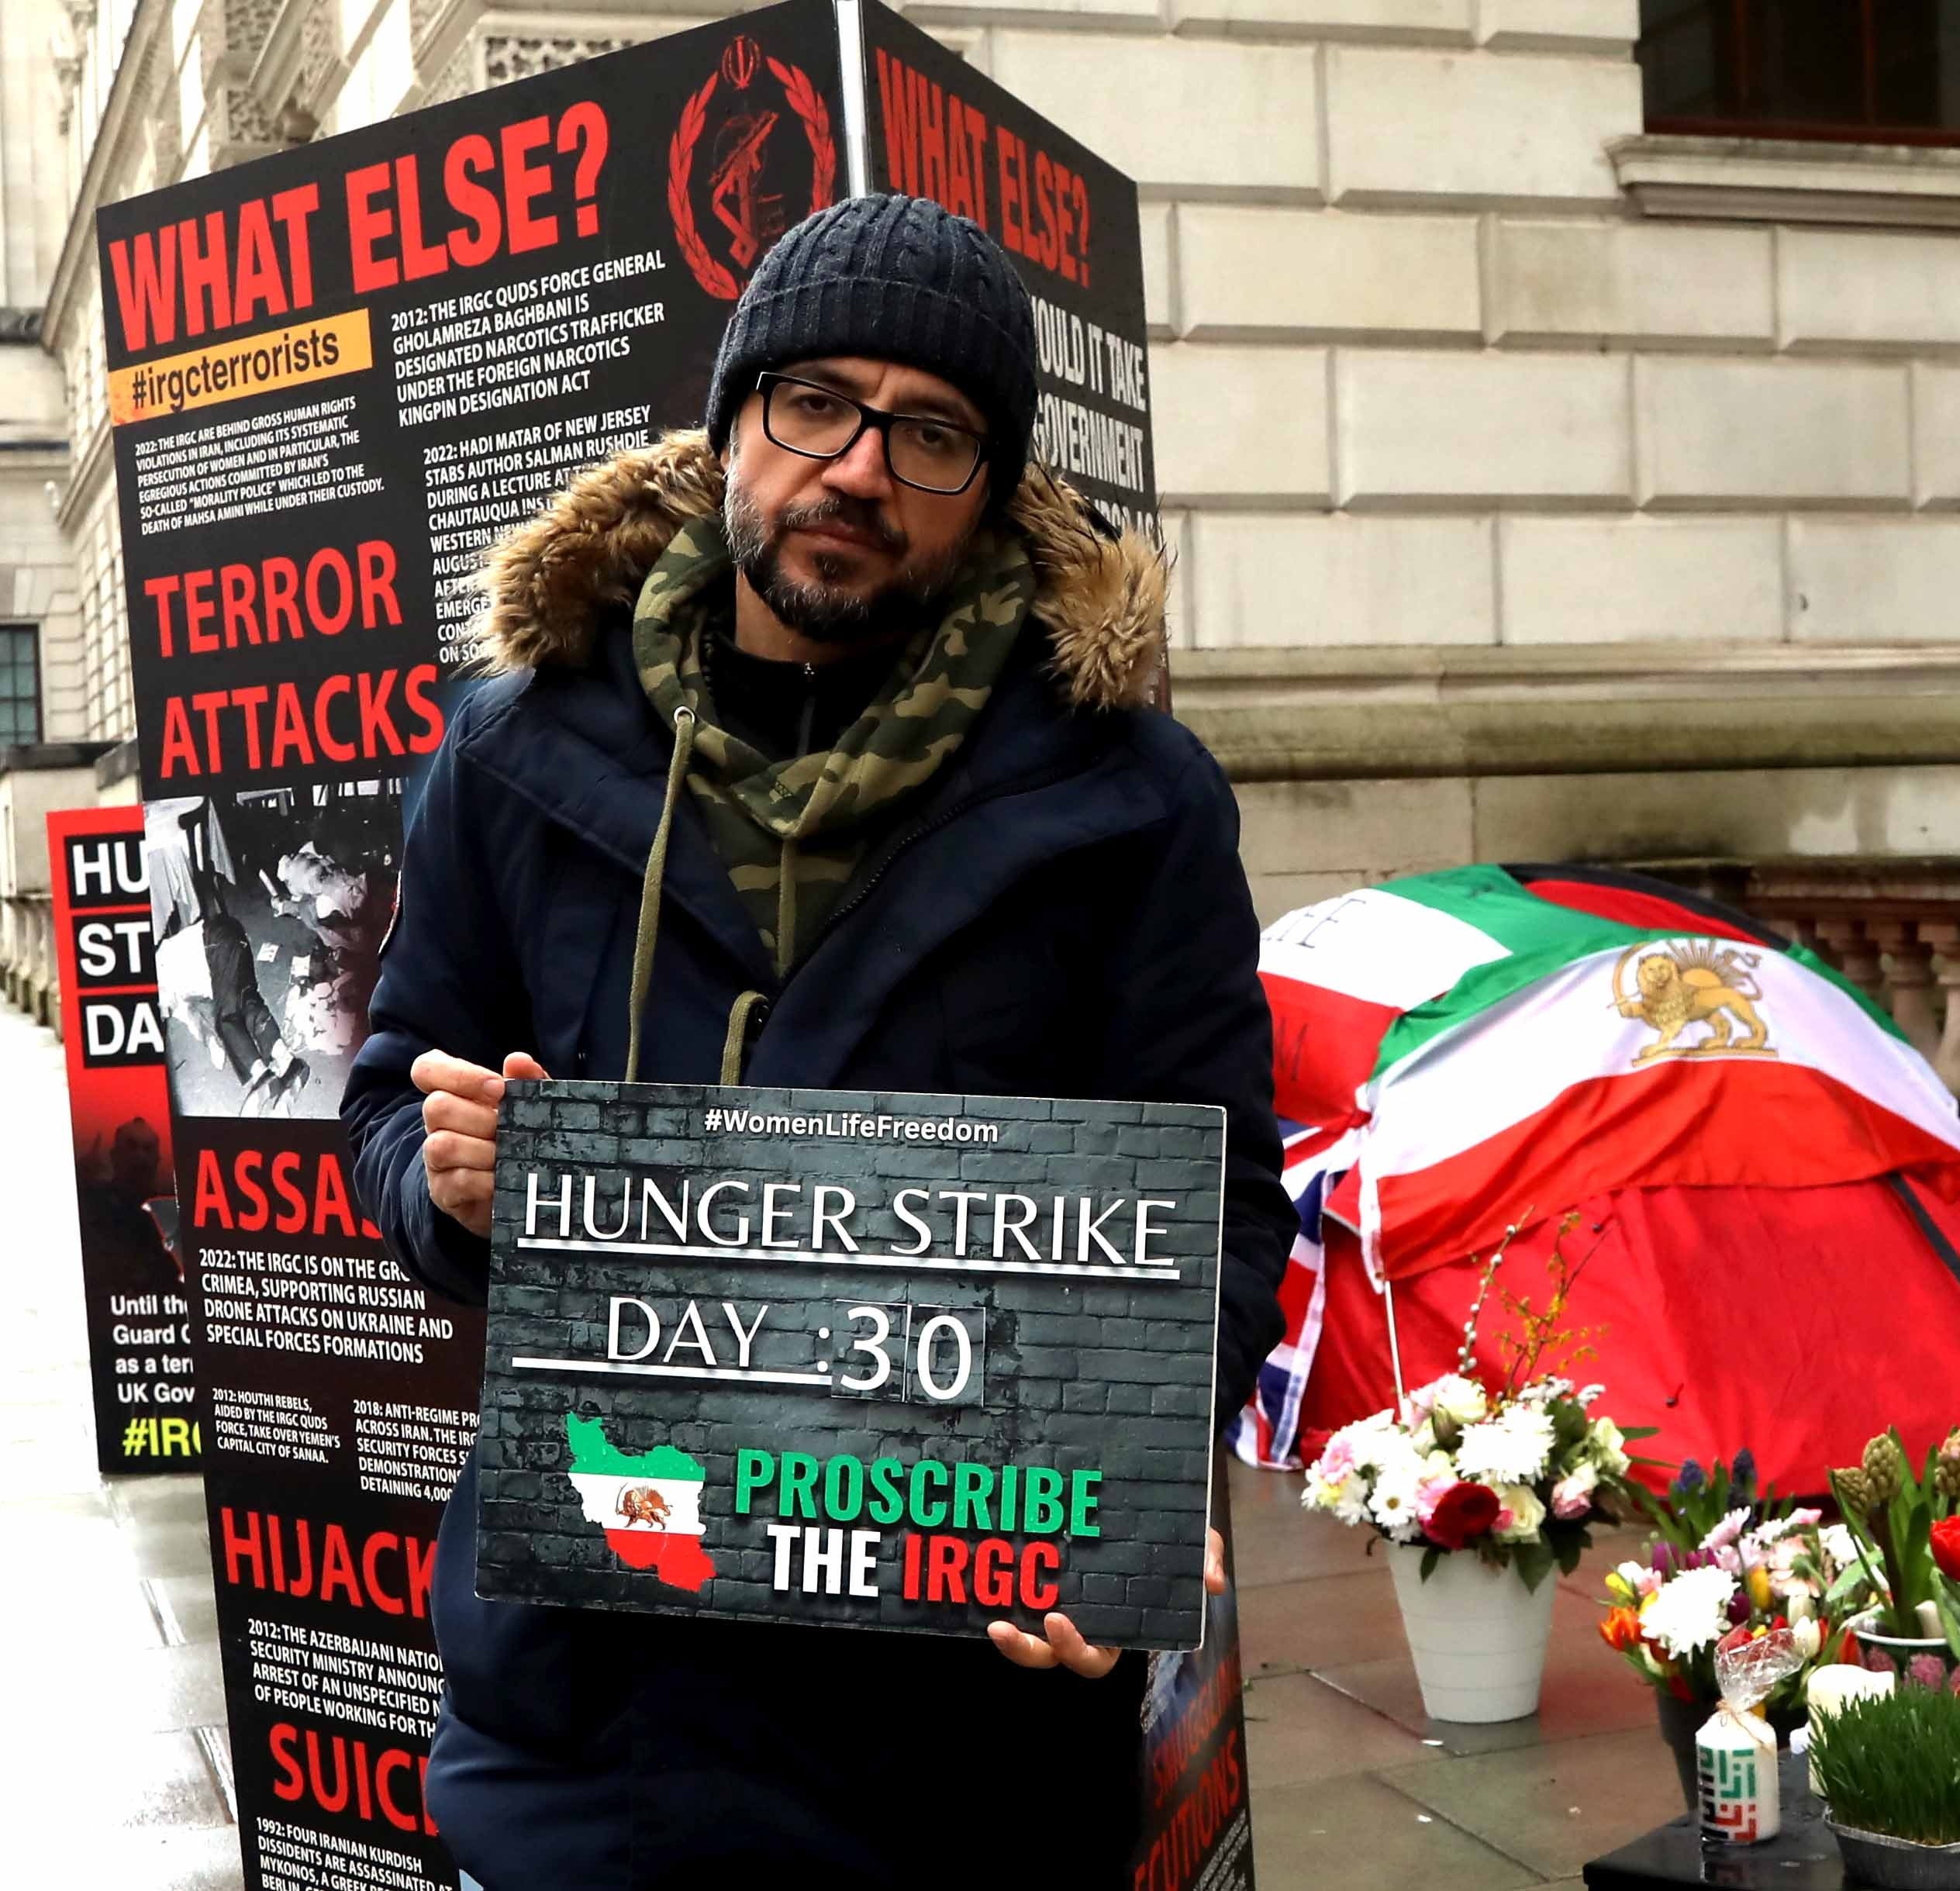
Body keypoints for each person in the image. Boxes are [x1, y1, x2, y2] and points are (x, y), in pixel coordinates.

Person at [340, 195, 1294, 1889]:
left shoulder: (1130, 801)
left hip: (960, 1757)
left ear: (991, 489)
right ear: (733, 427)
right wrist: (453, 1174)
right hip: (595, 1731)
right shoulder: (509, 750)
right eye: (815, 405)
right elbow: (388, 1098)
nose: (858, 466)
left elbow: (1212, 1202)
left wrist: (1142, 1489)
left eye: (930, 432)